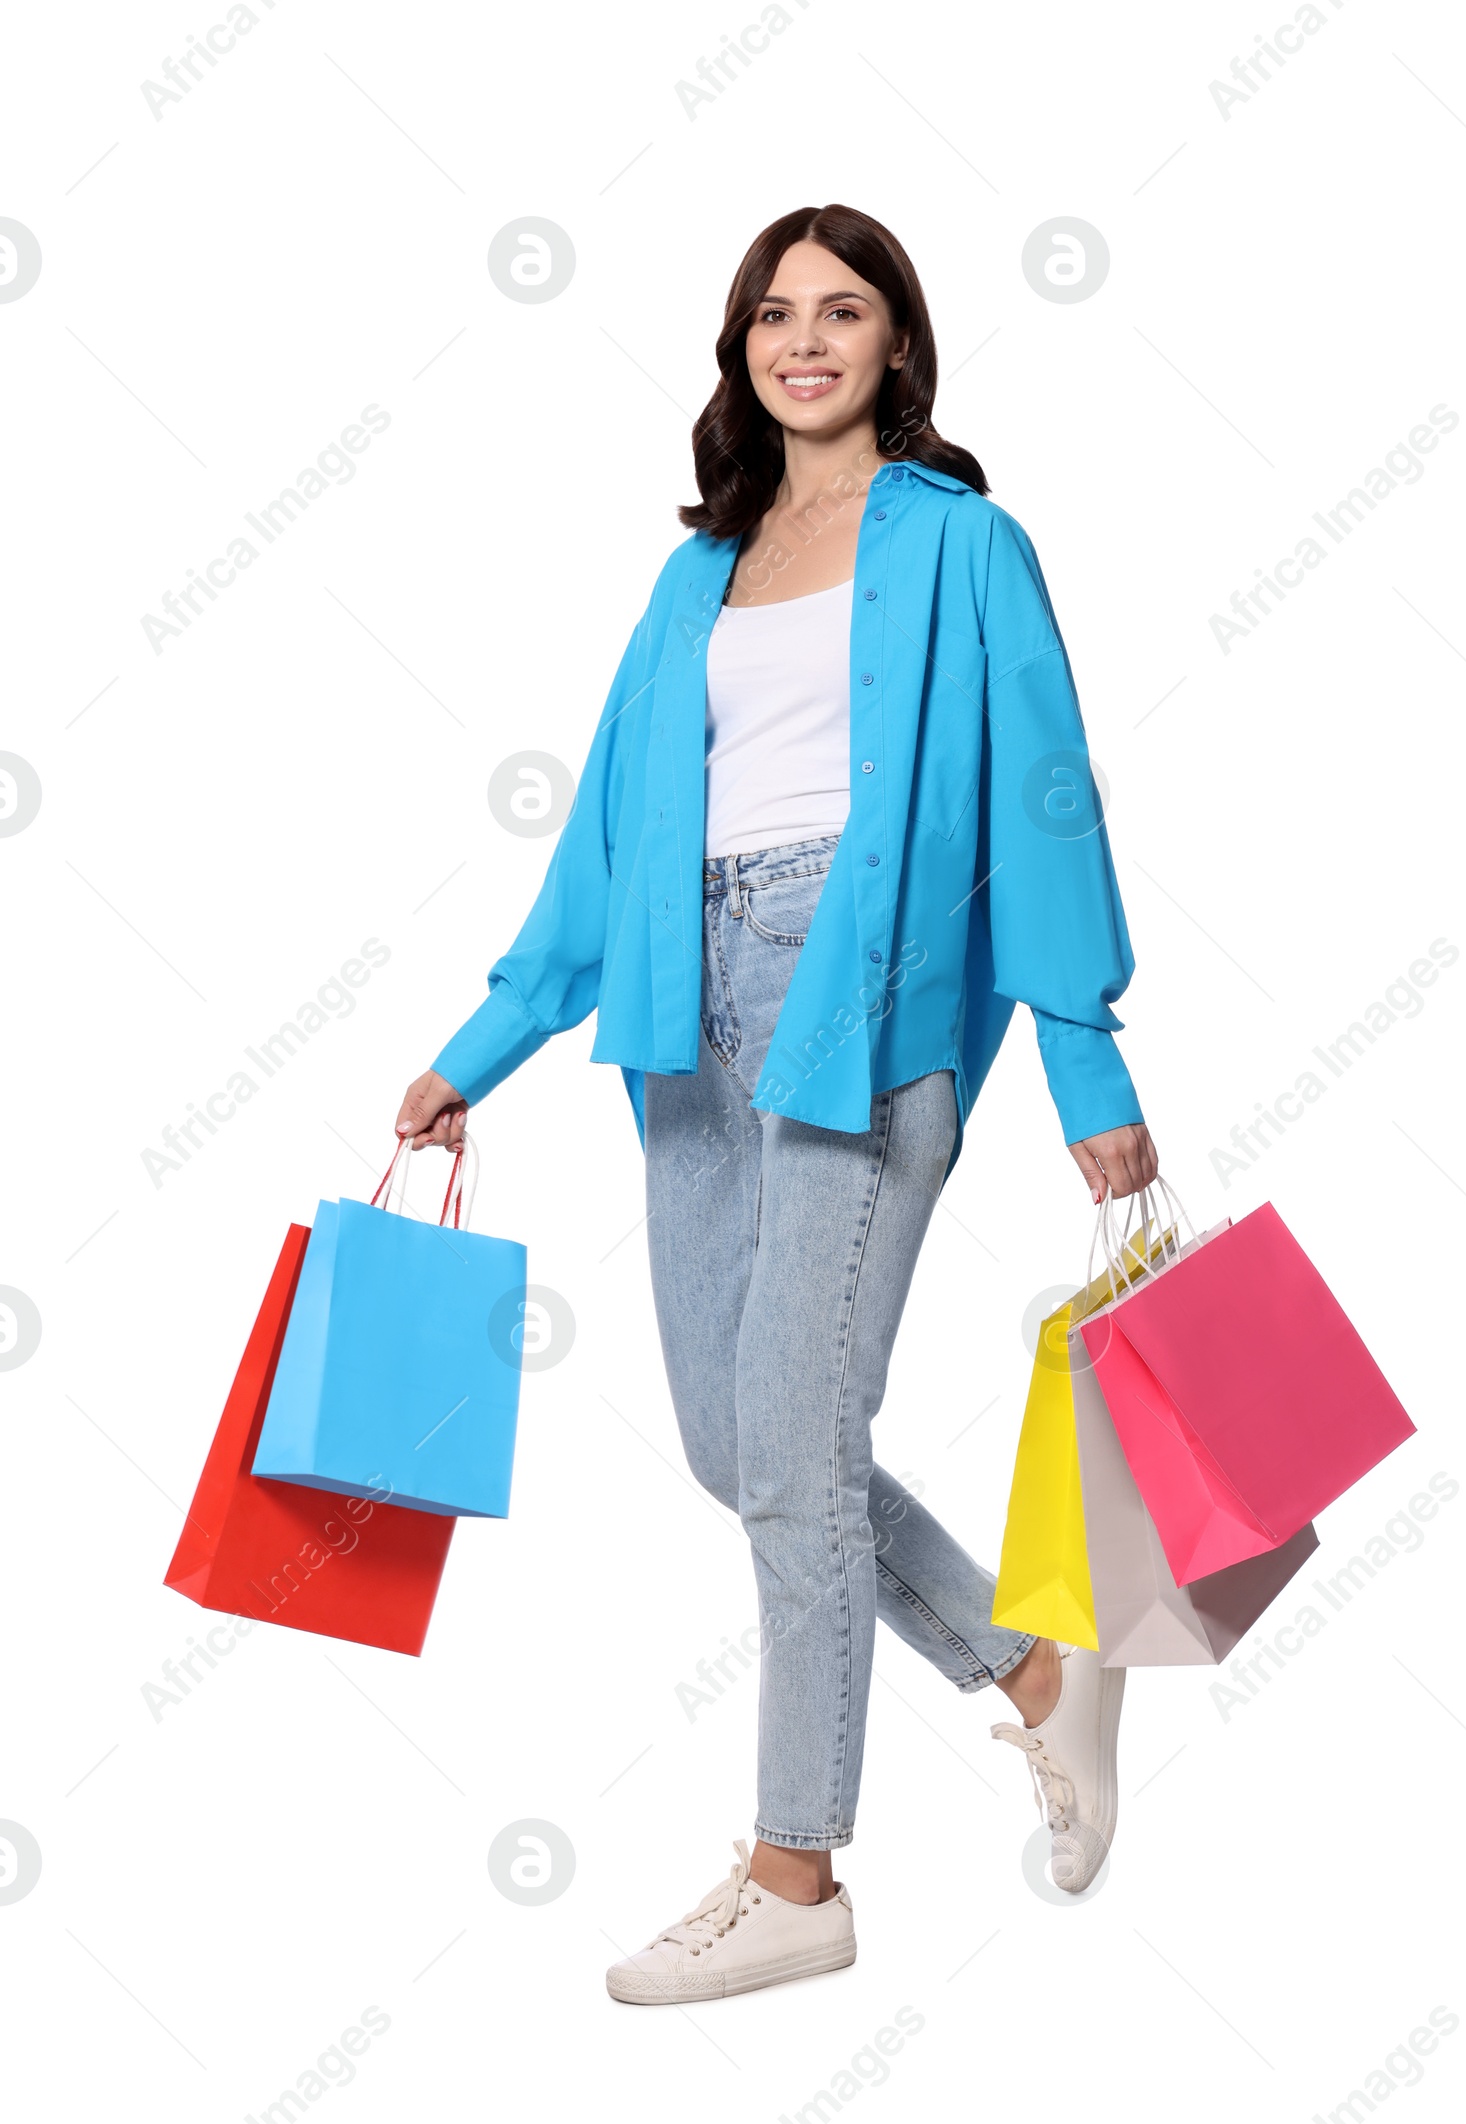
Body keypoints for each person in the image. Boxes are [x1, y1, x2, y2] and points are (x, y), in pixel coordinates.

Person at [395, 203, 1158, 2005]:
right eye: (771, 316)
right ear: (741, 352)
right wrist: (482, 1045)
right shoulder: (696, 577)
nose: (803, 340)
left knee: (794, 1463)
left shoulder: (970, 548)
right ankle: (1042, 1673)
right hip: (688, 1010)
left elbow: (1045, 796)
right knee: (739, 1451)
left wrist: (1087, 1058)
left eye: (843, 310)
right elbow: (607, 837)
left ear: (901, 342)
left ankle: (795, 1872)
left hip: (865, 1001)